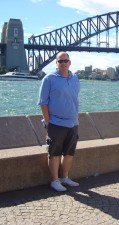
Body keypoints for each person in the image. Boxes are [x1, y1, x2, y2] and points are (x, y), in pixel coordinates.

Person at [38, 51, 80, 192]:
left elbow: (73, 99)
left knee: (69, 153)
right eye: (60, 61)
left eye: (65, 61)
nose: (63, 63)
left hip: (73, 123)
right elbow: (43, 103)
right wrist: (48, 122)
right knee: (54, 153)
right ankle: (54, 181)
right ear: (56, 63)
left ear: (70, 62)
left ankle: (64, 177)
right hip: (56, 123)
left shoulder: (75, 78)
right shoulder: (49, 79)